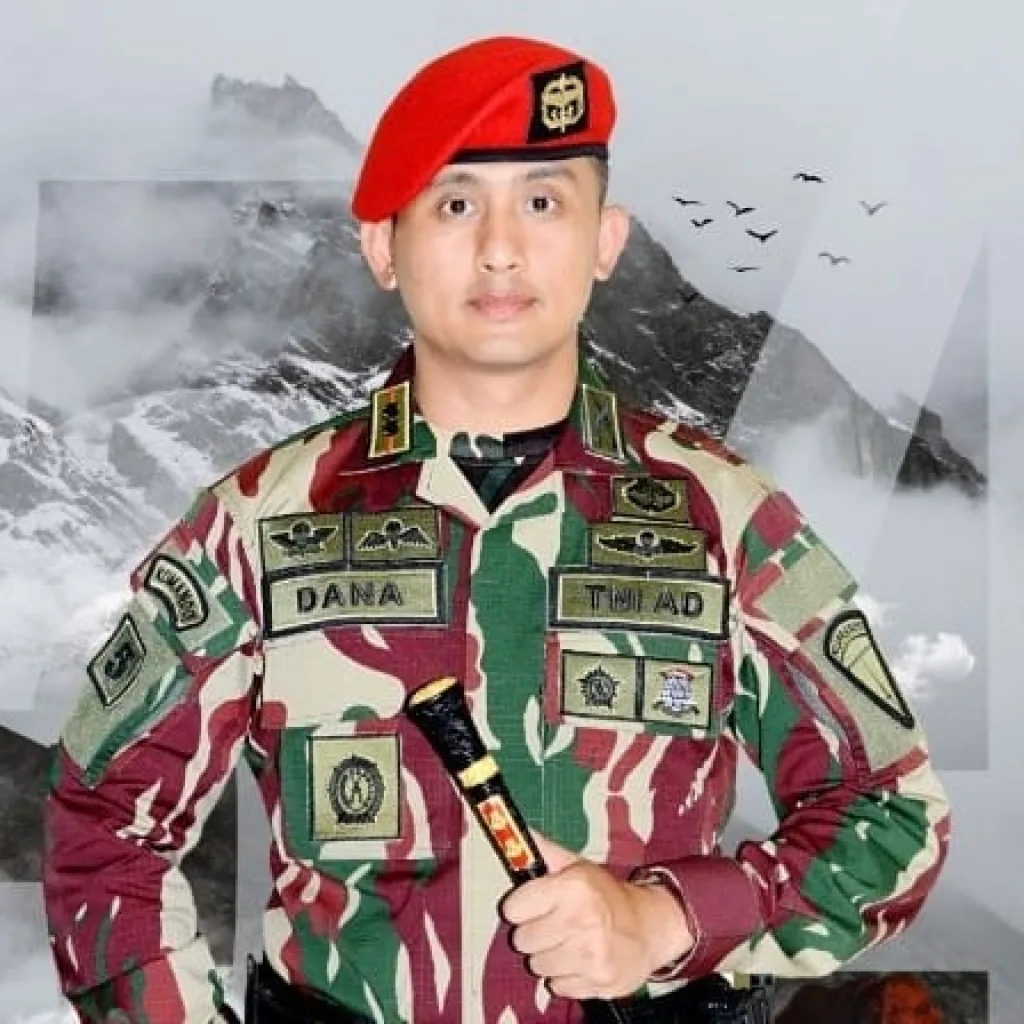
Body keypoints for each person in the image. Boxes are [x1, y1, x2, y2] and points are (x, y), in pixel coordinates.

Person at [42, 34, 951, 1024]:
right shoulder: (257, 523)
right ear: (381, 246)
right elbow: (103, 827)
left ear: (606, 240)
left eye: (544, 201)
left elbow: (892, 813)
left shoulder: (729, 521)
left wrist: (664, 920)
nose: (501, 247)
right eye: (455, 204)